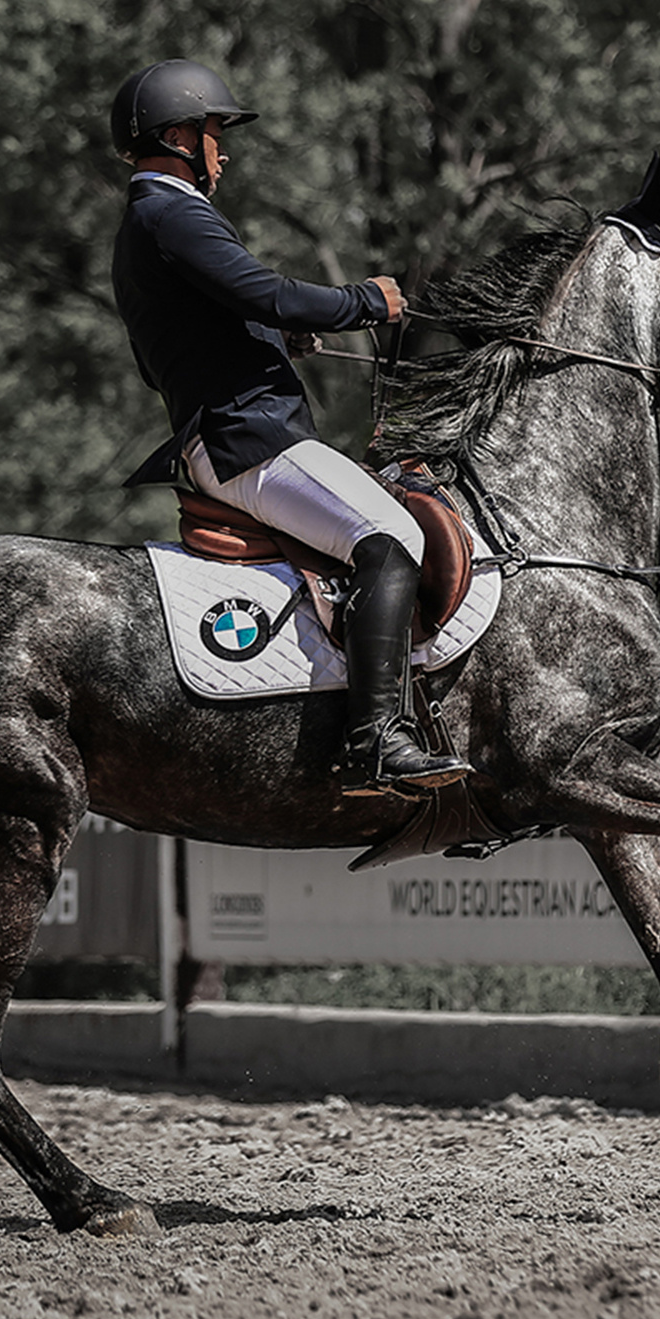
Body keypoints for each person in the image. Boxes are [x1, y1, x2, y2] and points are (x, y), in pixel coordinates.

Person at [108, 58, 469, 798]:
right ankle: (377, 740)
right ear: (178, 135)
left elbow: (184, 345)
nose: (224, 149)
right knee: (392, 537)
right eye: (214, 132)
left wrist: (269, 341)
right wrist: (361, 301)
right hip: (251, 438)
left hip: (233, 430)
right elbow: (265, 291)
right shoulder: (170, 210)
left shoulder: (146, 222)